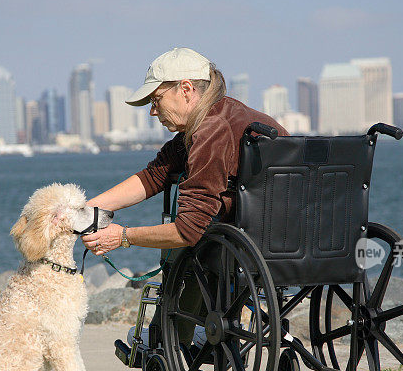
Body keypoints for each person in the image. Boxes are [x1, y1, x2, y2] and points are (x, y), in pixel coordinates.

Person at [82, 47, 288, 348]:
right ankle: (191, 329)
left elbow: (186, 231)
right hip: (291, 243)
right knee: (203, 234)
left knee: (187, 247)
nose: (153, 112)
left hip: (245, 250)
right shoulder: (234, 115)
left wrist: (122, 236)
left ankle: (167, 340)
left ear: (186, 89)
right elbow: (154, 176)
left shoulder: (210, 131)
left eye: (156, 100)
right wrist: (87, 209)